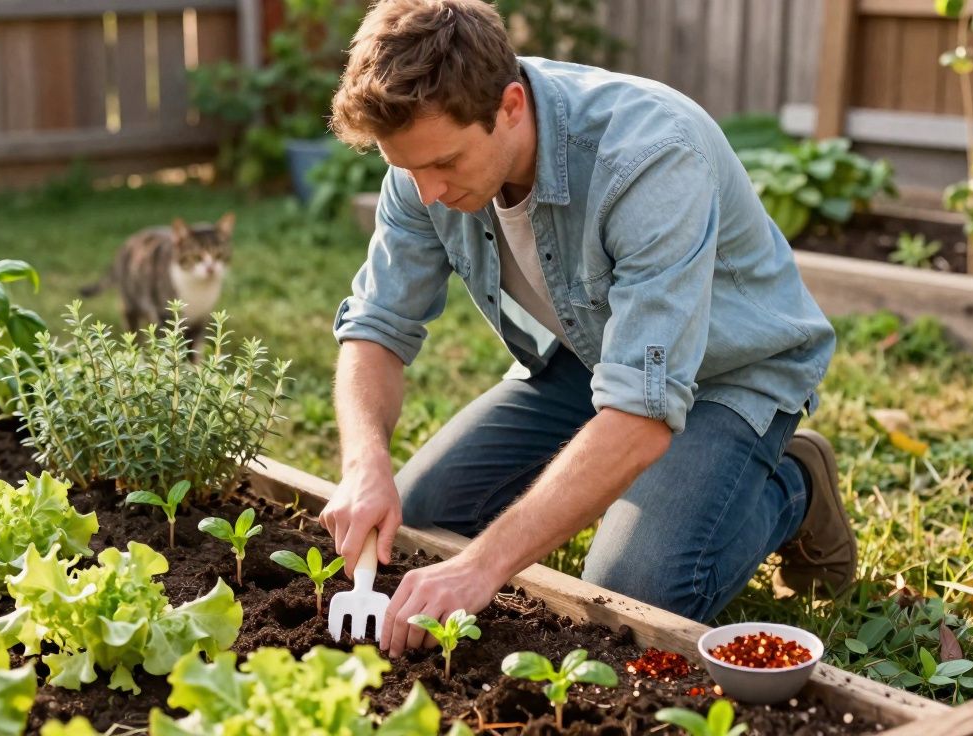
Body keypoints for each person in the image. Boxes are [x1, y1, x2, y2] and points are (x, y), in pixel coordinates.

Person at [319, 0, 856, 659]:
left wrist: (483, 566)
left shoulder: (651, 159)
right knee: (420, 518)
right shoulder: (422, 162)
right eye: (407, 168)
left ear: (510, 105)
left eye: (446, 165)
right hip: (590, 353)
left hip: (731, 371)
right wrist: (364, 463)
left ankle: (792, 483)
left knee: (632, 590)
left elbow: (641, 414)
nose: (426, 191)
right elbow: (376, 328)